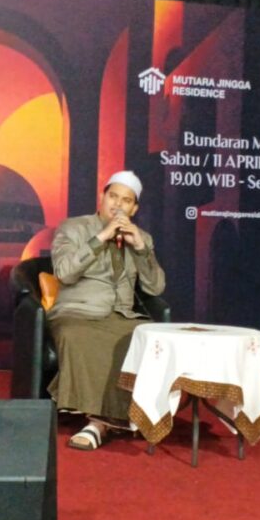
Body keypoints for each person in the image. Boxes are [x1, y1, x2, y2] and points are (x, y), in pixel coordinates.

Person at [47, 170, 166, 450]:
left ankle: (98, 424)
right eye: (113, 196)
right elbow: (65, 273)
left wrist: (141, 249)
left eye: (126, 201)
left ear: (133, 209)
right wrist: (101, 238)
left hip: (122, 315)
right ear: (102, 197)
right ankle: (109, 421)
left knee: (152, 339)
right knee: (77, 335)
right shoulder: (73, 228)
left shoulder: (141, 238)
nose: (117, 205)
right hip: (78, 313)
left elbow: (156, 287)